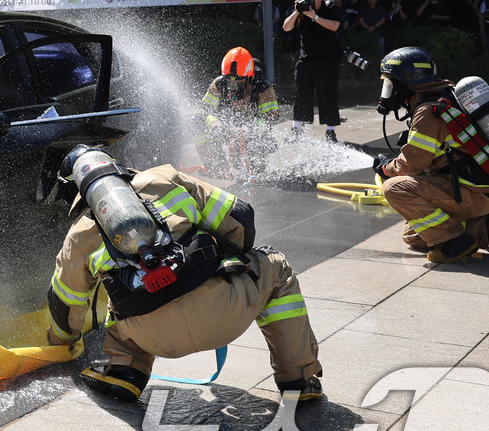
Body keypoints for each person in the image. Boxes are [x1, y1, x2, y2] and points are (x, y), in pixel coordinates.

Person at [45, 145, 323, 404]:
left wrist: (60, 343)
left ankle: (125, 372)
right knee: (276, 266)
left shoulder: (78, 237)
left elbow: (65, 305)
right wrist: (226, 263)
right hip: (225, 315)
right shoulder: (164, 179)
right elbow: (241, 218)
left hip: (151, 336)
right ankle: (298, 378)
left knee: (119, 289)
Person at [373, 47, 489, 263]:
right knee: (412, 236)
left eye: (391, 84)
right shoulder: (444, 94)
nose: (388, 91)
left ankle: (456, 243)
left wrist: (386, 168)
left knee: (394, 188)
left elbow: (412, 163)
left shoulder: (429, 111)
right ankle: (487, 224)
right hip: (478, 189)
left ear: (406, 83)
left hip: (471, 193)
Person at [194, 47, 279, 177]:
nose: (233, 87)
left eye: (239, 82)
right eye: (229, 81)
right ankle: (216, 166)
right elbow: (205, 109)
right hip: (226, 128)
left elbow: (271, 117)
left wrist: (252, 129)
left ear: (249, 76)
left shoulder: (262, 88)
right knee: (196, 122)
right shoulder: (219, 84)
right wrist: (215, 125)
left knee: (253, 171)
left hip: (253, 133)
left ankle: (256, 164)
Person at [282, 0, 344, 141]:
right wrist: (297, 12)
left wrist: (315, 17)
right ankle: (297, 128)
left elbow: (335, 26)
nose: (308, 1)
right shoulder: (300, 10)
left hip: (327, 60)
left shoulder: (331, 7)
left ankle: (330, 131)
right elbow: (286, 27)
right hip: (306, 59)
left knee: (328, 95)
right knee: (300, 93)